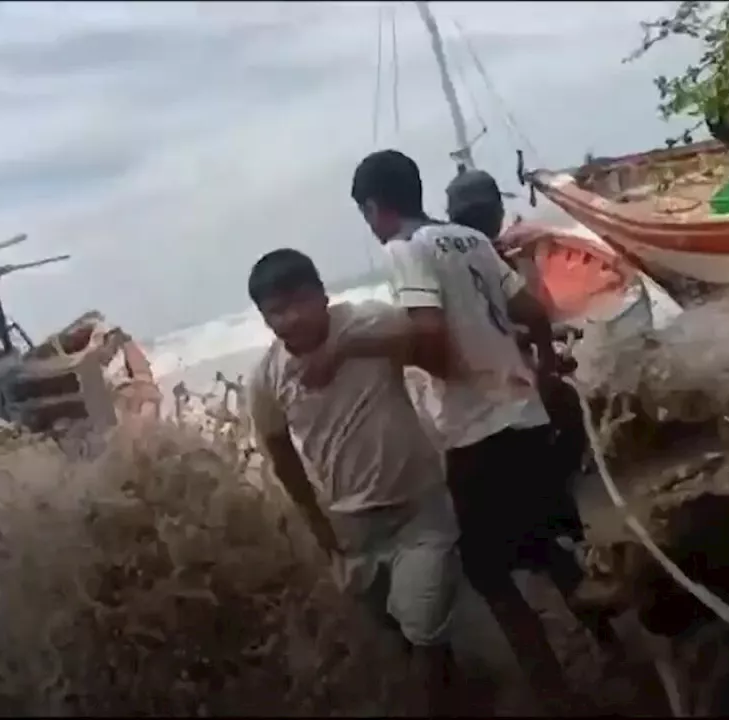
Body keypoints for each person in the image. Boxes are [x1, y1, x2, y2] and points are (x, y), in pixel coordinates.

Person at [350, 150, 615, 711]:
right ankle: (620, 654)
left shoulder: (404, 251)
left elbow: (429, 338)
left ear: (375, 207)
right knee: (552, 548)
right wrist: (543, 368)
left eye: (365, 215)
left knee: (489, 574)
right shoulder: (469, 241)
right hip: (527, 415)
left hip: (478, 436)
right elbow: (535, 312)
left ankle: (554, 695)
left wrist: (366, 348)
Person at [245, 248, 459, 716]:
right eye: (276, 311)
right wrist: (322, 533)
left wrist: (340, 351)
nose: (293, 318)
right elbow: (282, 456)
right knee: (395, 628)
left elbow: (419, 329)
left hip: (419, 510)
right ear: (264, 319)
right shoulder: (265, 378)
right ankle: (455, 680)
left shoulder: (364, 323)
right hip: (352, 528)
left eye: (301, 301)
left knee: (423, 629)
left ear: (323, 295)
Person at [444, 169, 590, 494]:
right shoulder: (487, 258)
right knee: (563, 404)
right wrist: (547, 362)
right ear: (498, 211)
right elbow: (501, 328)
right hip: (499, 395)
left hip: (483, 393)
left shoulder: (460, 259)